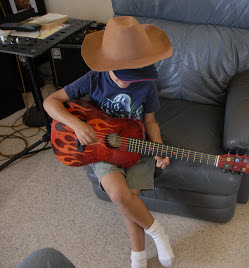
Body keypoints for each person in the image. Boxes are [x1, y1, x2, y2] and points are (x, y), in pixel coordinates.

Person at [43, 16, 174, 268]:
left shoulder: (146, 86)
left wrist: (159, 148)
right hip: (102, 150)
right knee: (119, 194)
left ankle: (137, 256)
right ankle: (157, 232)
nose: (128, 81)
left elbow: (151, 122)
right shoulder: (94, 78)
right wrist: (76, 124)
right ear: (107, 64)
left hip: (136, 146)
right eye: (123, 75)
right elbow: (51, 102)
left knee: (130, 196)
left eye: (135, 74)